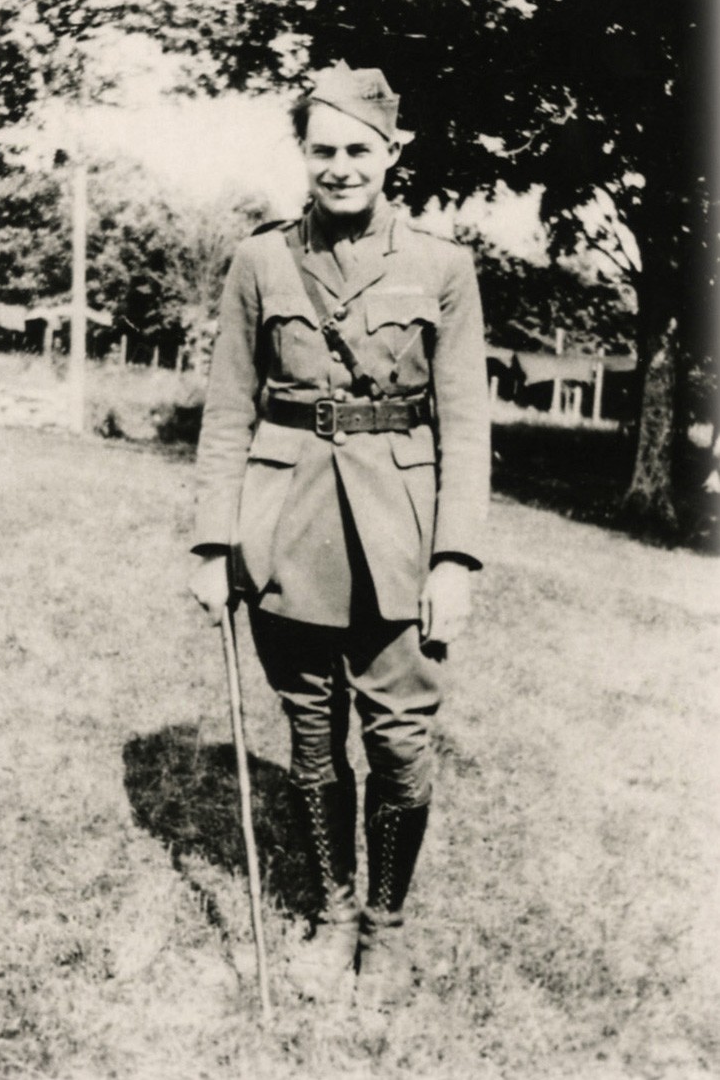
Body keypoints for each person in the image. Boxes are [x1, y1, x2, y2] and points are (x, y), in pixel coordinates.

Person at [189, 59, 490, 1007]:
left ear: (391, 153)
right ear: (304, 155)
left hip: (401, 531)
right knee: (311, 736)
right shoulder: (261, 260)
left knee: (400, 740)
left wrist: (455, 558)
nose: (341, 166)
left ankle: (386, 929)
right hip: (286, 528)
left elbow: (466, 423)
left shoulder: (442, 266)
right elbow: (229, 410)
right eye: (323, 149)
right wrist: (212, 543)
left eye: (359, 149)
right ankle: (331, 912)